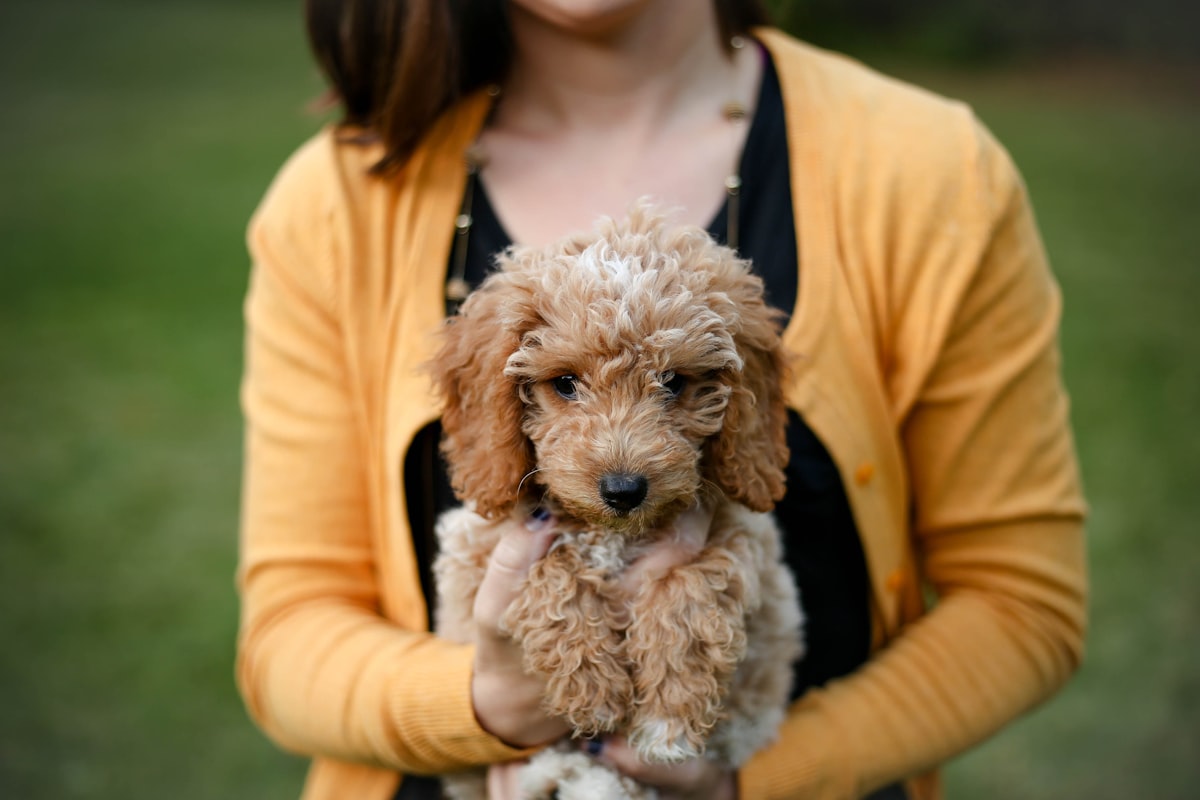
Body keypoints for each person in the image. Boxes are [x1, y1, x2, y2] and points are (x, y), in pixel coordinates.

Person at [235, 1, 1089, 798]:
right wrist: (484, 704)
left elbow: (1022, 606)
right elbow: (284, 638)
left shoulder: (933, 172)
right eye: (564, 384)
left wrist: (756, 780)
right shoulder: (333, 205)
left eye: (678, 384)